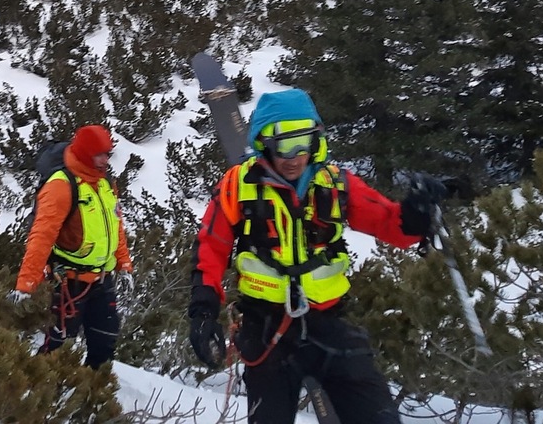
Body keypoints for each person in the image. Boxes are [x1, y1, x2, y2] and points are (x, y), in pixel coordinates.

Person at [187, 88, 449, 424]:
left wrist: (416, 211)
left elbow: (393, 226)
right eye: (284, 145)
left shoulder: (337, 184)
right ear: (264, 142)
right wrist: (203, 310)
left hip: (329, 325)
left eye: (304, 143)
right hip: (266, 331)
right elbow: (211, 246)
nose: (294, 156)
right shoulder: (238, 186)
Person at [8, 124, 135, 369]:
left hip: (102, 279)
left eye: (108, 154)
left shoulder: (105, 182)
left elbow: (115, 225)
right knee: (56, 347)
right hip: (68, 282)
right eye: (101, 155)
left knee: (105, 342)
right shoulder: (61, 185)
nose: (106, 160)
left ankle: (91, 396)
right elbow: (41, 236)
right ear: (86, 154)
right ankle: (37, 395)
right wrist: (26, 284)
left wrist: (124, 263)